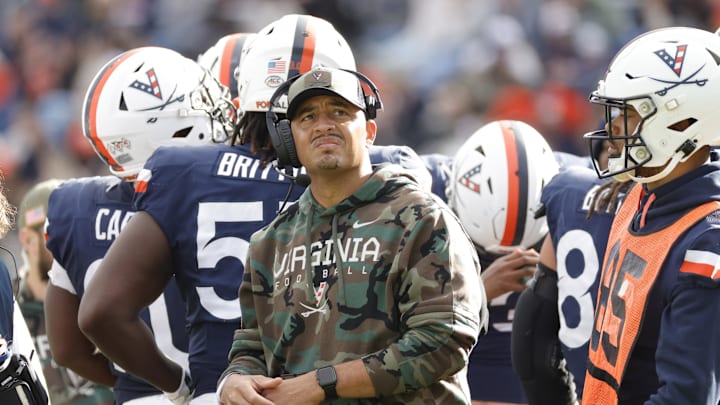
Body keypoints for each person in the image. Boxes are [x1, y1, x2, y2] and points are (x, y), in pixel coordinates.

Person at [78, 14, 359, 405]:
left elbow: (99, 313)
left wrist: (178, 388)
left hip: (222, 392)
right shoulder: (377, 172)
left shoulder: (182, 173)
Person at [219, 65, 486, 404]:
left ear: (369, 131)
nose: (324, 124)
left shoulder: (421, 218)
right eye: (307, 117)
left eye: (340, 112)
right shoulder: (269, 242)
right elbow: (252, 346)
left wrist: (321, 384)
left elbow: (443, 341)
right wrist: (234, 380)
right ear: (290, 140)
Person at [47, 46, 234, 404]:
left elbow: (67, 350)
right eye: (201, 103)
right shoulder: (230, 192)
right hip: (226, 390)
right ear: (174, 130)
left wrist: (148, 387)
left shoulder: (74, 206)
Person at [576, 26, 720, 404]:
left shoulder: (706, 242)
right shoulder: (646, 193)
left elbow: (685, 397)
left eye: (628, 113)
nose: (611, 128)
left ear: (682, 123)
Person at [446, 120, 559, 405]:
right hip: (460, 359)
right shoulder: (419, 195)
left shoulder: (572, 196)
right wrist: (477, 292)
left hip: (537, 361)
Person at [16, 179, 114, 404]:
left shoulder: (102, 294)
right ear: (28, 240)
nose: (71, 239)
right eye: (55, 230)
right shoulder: (11, 311)